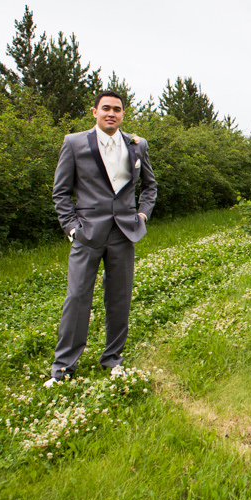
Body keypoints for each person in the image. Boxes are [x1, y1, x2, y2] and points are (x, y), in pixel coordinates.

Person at [45, 90, 157, 387]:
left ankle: (113, 360)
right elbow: (61, 192)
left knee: (119, 299)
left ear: (123, 114)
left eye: (117, 109)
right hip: (87, 234)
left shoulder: (137, 145)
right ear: (94, 111)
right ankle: (63, 368)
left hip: (124, 233)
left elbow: (150, 186)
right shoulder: (74, 143)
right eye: (105, 108)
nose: (111, 113)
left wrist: (142, 215)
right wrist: (71, 228)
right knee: (77, 297)